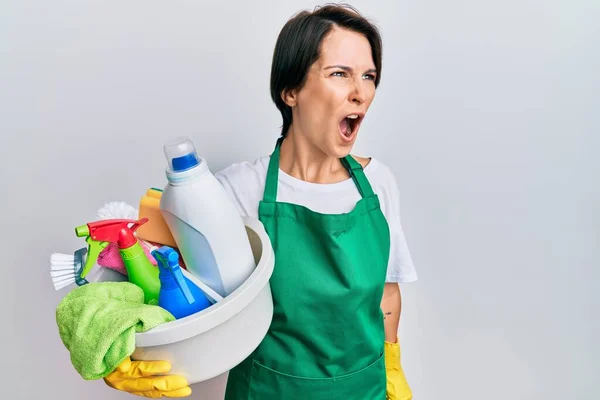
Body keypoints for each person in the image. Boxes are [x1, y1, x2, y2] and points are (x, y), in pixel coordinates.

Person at [103, 4, 417, 399]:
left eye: (369, 76)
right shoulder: (235, 191)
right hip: (269, 390)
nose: (361, 93)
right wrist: (122, 350)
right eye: (339, 74)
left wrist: (391, 368)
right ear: (291, 91)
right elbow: (161, 284)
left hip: (364, 389)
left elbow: (387, 294)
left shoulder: (378, 184)